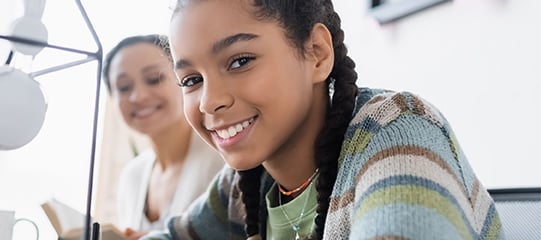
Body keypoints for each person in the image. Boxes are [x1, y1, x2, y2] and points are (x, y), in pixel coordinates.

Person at [142, 0, 505, 239]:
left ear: (317, 53)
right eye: (191, 80)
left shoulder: (395, 130)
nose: (210, 101)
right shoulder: (248, 183)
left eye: (240, 61)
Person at [102, 34, 226, 239]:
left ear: (184, 80)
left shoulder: (223, 158)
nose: (138, 96)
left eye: (153, 79)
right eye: (124, 88)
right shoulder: (131, 176)